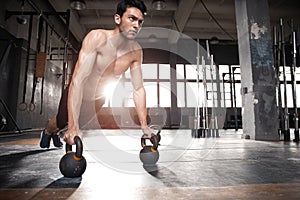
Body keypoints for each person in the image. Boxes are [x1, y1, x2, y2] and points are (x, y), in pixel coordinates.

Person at [40, 0, 155, 148]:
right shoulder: (97, 38)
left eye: (140, 22)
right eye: (132, 18)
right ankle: (48, 131)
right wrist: (73, 127)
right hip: (79, 91)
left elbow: (138, 89)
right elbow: (78, 80)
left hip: (98, 100)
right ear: (118, 19)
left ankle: (57, 132)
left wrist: (144, 126)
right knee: (63, 122)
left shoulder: (135, 51)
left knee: (76, 125)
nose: (136, 25)